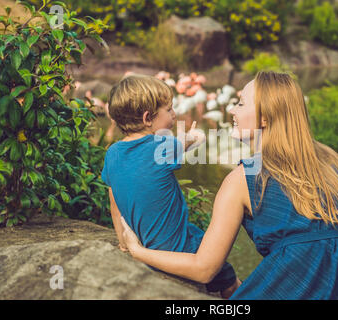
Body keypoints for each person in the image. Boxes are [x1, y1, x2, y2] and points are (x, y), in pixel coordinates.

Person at [120, 71, 338, 300]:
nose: (231, 109)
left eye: (240, 103)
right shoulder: (333, 160)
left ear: (264, 118)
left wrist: (138, 251)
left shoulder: (242, 179)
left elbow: (204, 269)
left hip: (294, 288)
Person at [101, 74, 241, 298]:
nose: (174, 115)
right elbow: (185, 142)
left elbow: (114, 202)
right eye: (169, 110)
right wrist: (194, 136)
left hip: (147, 245)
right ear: (148, 118)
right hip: (180, 249)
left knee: (196, 231)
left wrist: (123, 243)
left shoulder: (112, 153)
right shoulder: (160, 147)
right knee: (231, 280)